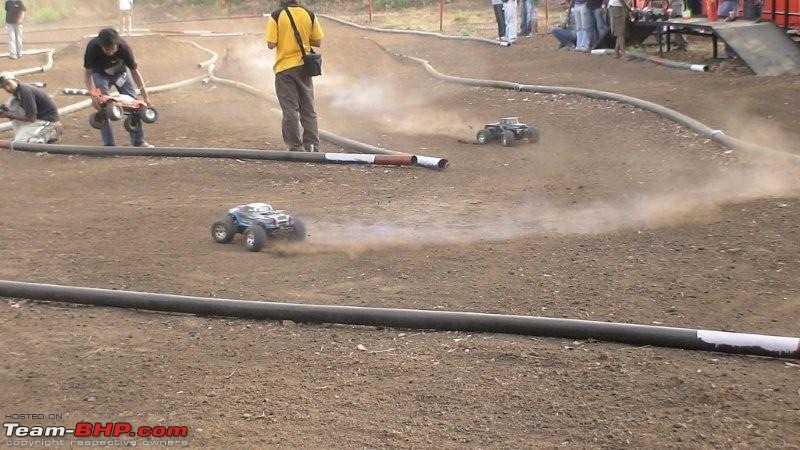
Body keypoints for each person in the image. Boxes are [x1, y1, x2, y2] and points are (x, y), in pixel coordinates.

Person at [265, 0, 324, 152]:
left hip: (284, 69)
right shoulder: (309, 14)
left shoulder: (276, 15)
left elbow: (271, 44)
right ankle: (312, 145)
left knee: (290, 109)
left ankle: (295, 146)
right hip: (304, 67)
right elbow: (317, 41)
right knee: (308, 108)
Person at [83, 27, 153, 147]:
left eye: (112, 49)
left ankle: (138, 141)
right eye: (107, 49)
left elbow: (135, 72)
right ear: (101, 46)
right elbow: (87, 75)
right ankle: (109, 145)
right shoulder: (92, 48)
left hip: (121, 74)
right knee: (104, 105)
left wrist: (145, 96)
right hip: (100, 74)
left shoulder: (124, 48)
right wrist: (94, 95)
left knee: (135, 105)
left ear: (117, 44)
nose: (110, 52)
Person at [0, 72, 62, 143]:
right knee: (11, 107)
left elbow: (31, 118)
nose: (7, 88)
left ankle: (51, 133)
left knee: (21, 142)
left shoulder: (25, 91)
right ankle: (32, 135)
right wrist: (5, 112)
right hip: (39, 119)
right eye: (4, 87)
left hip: (48, 120)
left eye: (8, 84)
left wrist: (10, 115)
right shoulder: (16, 93)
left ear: (16, 80)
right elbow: (11, 110)